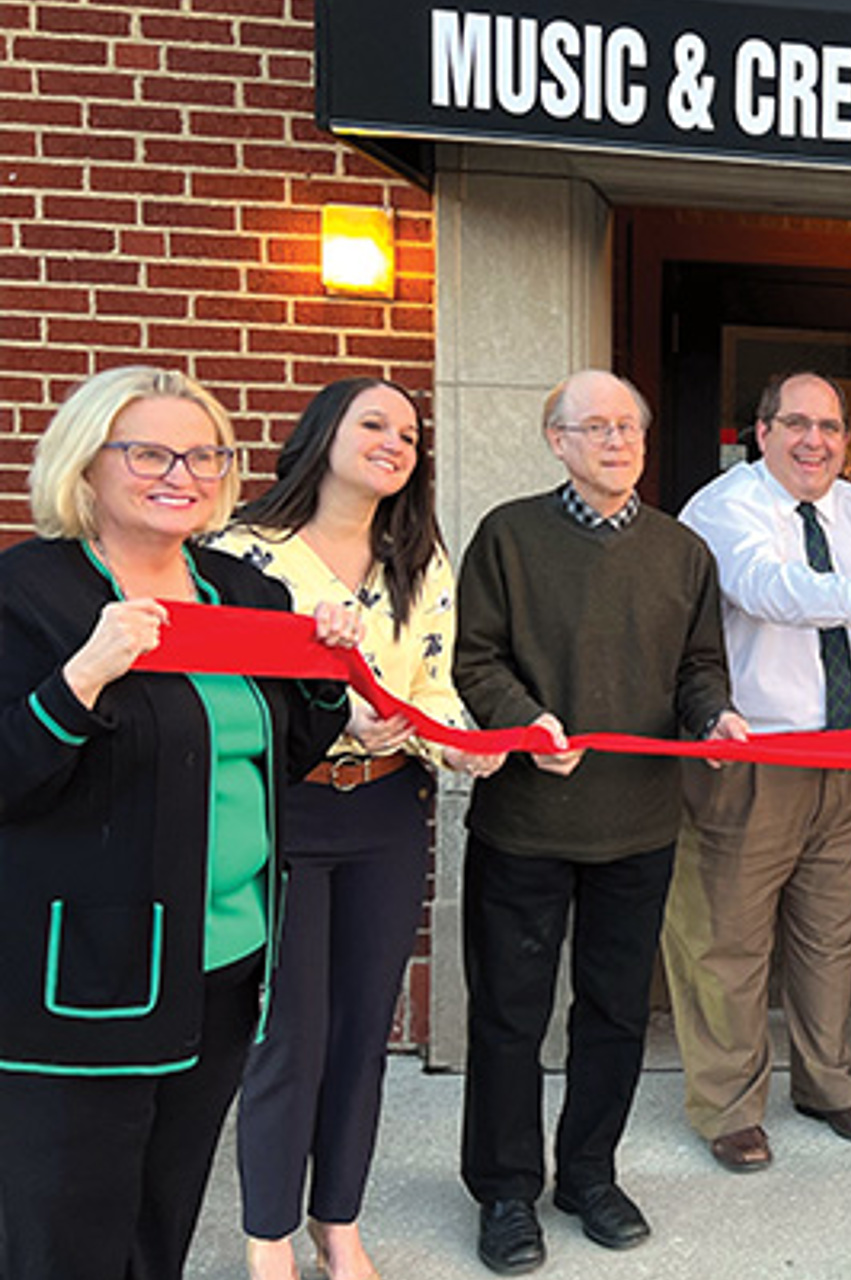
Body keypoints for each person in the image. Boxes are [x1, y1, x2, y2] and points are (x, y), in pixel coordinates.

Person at [0, 366, 357, 1280]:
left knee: (163, 1222)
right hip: (83, 982)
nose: (182, 473)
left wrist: (327, 669)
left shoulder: (243, 592)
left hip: (225, 966)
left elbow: (278, 751)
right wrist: (80, 680)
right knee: (66, 1236)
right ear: (87, 467)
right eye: (150, 452)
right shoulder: (29, 592)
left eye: (203, 454)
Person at [205, 378, 506, 1280]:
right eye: (373, 423)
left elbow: (433, 689)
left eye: (409, 434)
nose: (394, 442)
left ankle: (338, 1221)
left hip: (385, 813)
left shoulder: (418, 558)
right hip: (285, 806)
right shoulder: (238, 555)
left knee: (361, 1031)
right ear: (322, 433)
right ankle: (267, 1235)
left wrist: (465, 747)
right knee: (289, 1032)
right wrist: (340, 722)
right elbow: (228, 695)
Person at [453, 370, 744, 1274]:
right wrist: (522, 720)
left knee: (615, 1014)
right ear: (557, 440)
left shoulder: (681, 551)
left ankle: (588, 1173)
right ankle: (506, 1191)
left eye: (630, 428)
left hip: (639, 824)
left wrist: (714, 717)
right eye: (595, 427)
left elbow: (699, 666)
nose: (617, 442)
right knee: (509, 1016)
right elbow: (475, 657)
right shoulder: (507, 536)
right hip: (527, 822)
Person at [663, 371, 851, 1172]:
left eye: (829, 426)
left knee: (829, 934)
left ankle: (825, 1083)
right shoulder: (724, 508)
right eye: (796, 423)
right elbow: (770, 591)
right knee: (727, 940)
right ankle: (728, 1105)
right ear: (762, 432)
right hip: (756, 753)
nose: (814, 440)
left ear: (846, 440)